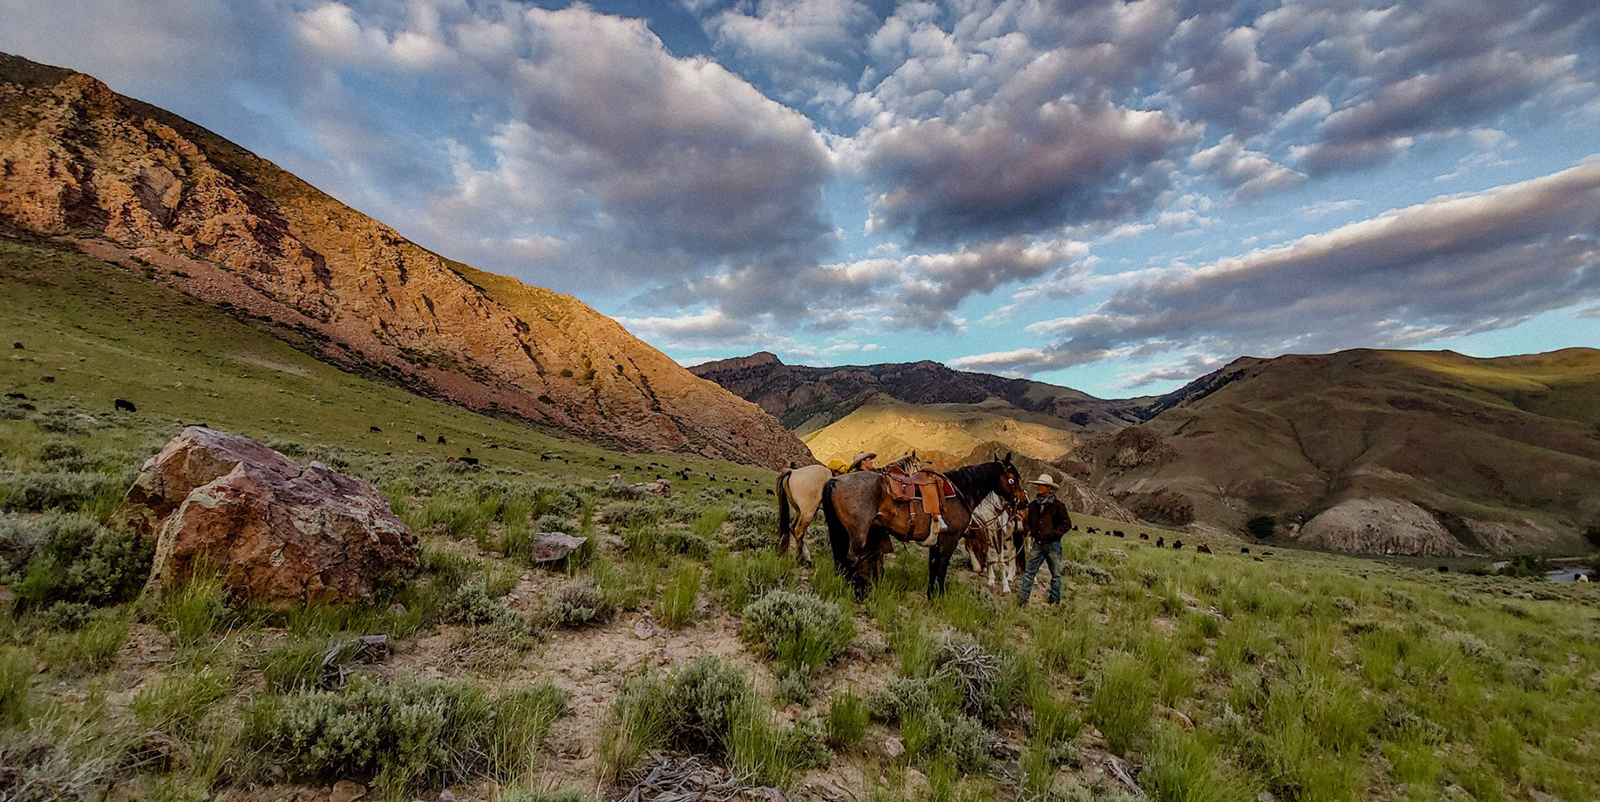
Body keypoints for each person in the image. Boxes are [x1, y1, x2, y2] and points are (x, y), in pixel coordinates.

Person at [1016, 473, 1071, 605]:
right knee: (1029, 572)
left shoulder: (1058, 506)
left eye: (1042, 486)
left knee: (1056, 575)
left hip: (1053, 544)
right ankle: (1023, 599)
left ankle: (1054, 601)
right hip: (1038, 544)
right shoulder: (1034, 505)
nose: (1039, 488)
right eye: (1038, 485)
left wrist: (1054, 534)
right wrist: (1026, 525)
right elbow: (1030, 522)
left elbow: (1067, 524)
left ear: (1048, 488)